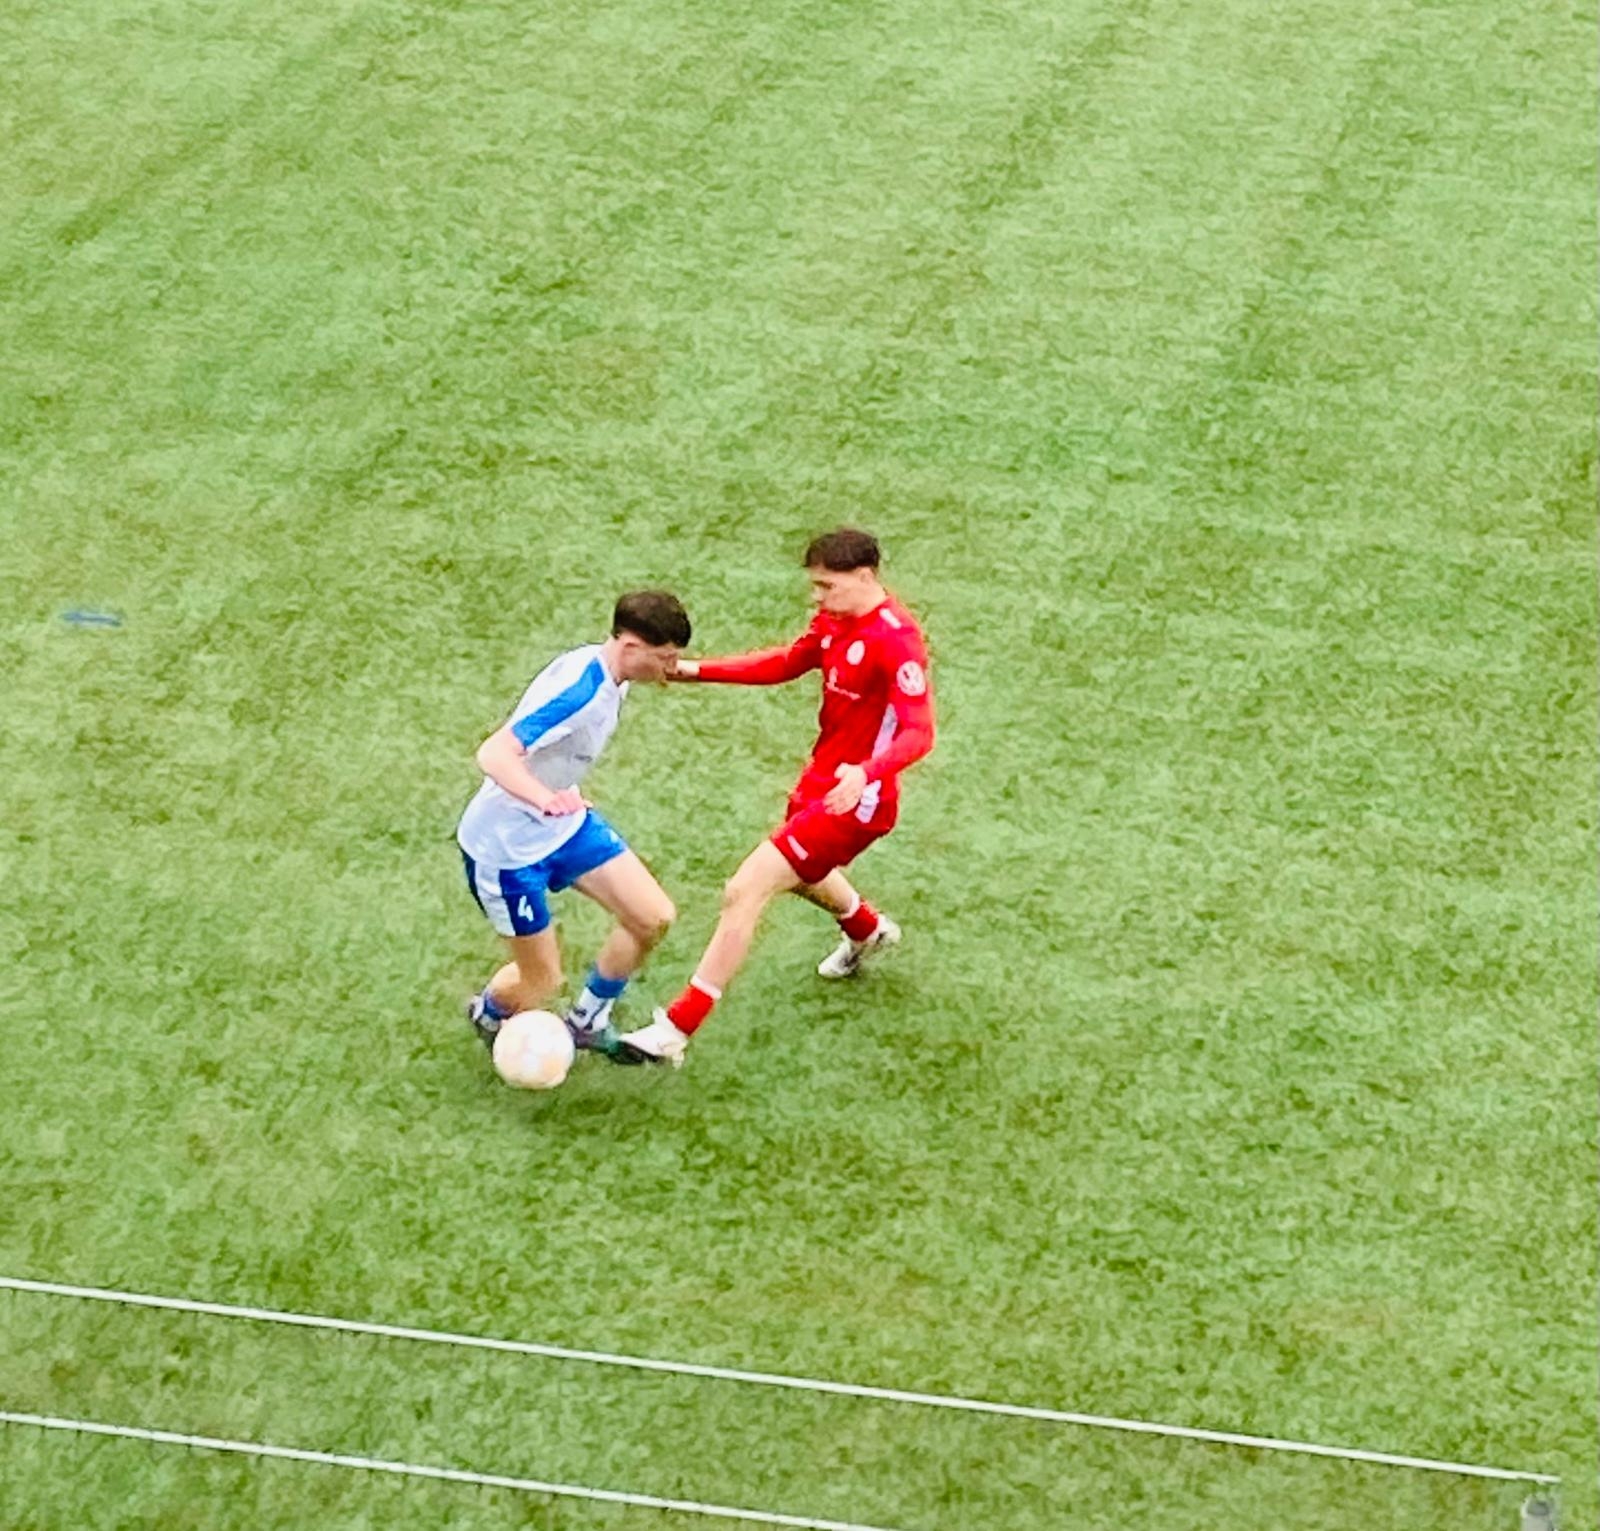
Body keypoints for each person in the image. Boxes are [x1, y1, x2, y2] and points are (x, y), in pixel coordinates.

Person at [615, 529, 935, 1067]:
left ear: (865, 577)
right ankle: (867, 929)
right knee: (803, 871)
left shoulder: (896, 640)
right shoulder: (835, 621)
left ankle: (675, 1030)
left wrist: (866, 773)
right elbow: (786, 662)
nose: (817, 596)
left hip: (857, 801)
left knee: (746, 889)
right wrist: (695, 671)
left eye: (827, 586)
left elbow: (919, 732)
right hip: (821, 782)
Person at [456, 590, 690, 1059]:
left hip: (562, 827)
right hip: (506, 851)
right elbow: (494, 753)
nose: (671, 668)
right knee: (542, 980)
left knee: (651, 917)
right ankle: (489, 1012)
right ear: (631, 647)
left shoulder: (612, 669)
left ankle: (587, 1021)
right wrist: (546, 798)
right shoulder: (579, 694)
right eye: (664, 658)